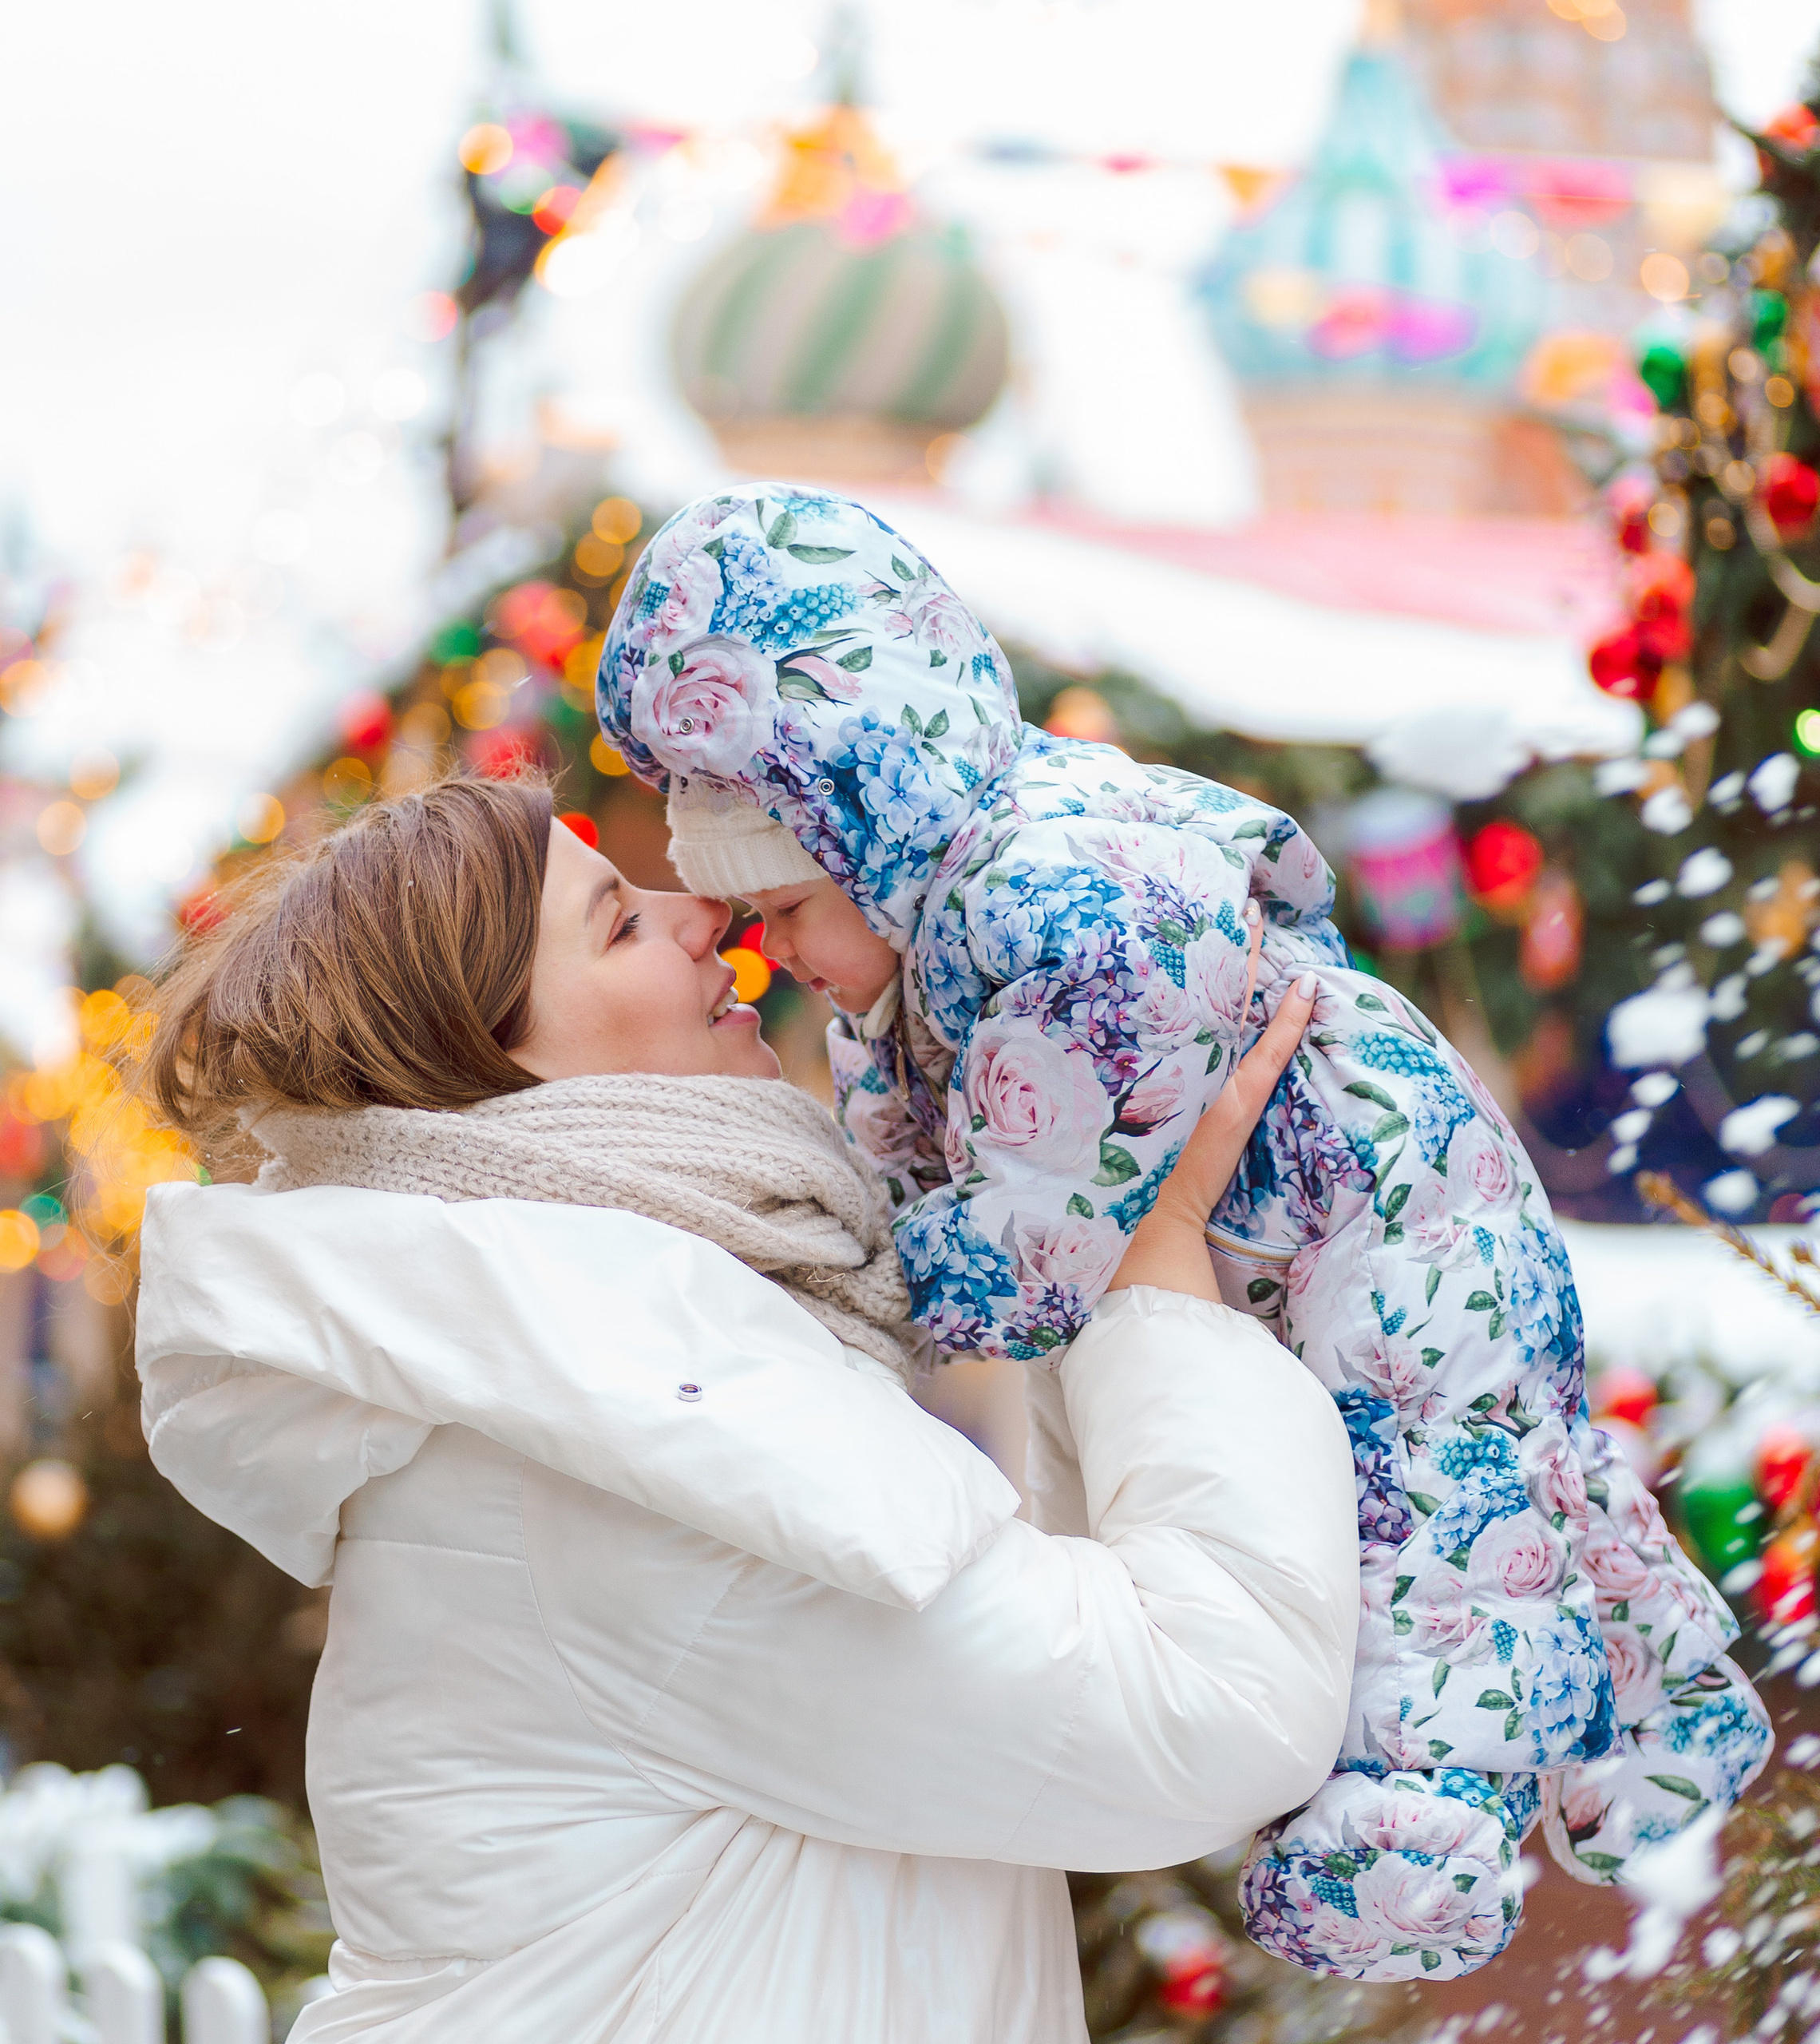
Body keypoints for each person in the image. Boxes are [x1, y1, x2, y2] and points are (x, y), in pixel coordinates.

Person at [595, 484, 1773, 1979]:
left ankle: (1418, 1837)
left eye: (790, 909)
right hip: (1323, 1204)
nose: (780, 957)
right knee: (1488, 1482)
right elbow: (953, 1132)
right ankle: (1667, 1710)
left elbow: (1046, 1212)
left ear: (870, 839)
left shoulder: (1047, 898)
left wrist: (910, 1271)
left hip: (1377, 1208)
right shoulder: (954, 899)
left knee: (1431, 1494)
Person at [133, 772, 1358, 2043]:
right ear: (498, 1089)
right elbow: (1212, 1704)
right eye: (616, 924)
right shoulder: (620, 1444)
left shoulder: (585, 1381)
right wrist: (1148, 1257)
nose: (701, 912)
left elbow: (1050, 1634)